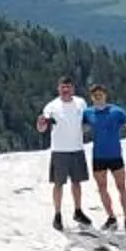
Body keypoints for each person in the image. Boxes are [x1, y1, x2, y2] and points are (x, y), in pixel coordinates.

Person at [83, 82, 126, 237]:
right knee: (102, 188)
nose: (98, 96)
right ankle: (111, 217)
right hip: (98, 156)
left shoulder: (117, 111)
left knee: (121, 187)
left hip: (115, 154)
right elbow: (81, 126)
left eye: (100, 93)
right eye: (95, 94)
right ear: (92, 97)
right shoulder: (88, 113)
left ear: (105, 95)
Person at [36, 76, 94, 231]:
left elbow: (86, 122)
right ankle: (57, 214)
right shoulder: (51, 107)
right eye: (63, 87)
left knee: (77, 182)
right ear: (58, 88)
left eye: (68, 86)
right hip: (59, 150)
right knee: (58, 183)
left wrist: (87, 128)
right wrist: (40, 124)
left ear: (73, 88)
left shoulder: (81, 103)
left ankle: (78, 210)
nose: (66, 89)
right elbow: (42, 128)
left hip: (77, 148)